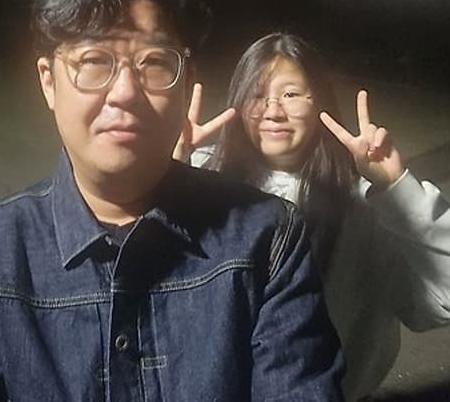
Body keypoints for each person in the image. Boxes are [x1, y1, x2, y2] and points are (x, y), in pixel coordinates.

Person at [0, 0, 344, 401]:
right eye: (94, 61)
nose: (124, 92)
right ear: (49, 82)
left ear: (186, 83)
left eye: (154, 63)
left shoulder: (268, 240)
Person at [174, 32, 450, 401]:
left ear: (320, 100)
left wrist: (398, 188)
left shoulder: (365, 205)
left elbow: (440, 300)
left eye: (290, 94)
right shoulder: (199, 176)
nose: (273, 111)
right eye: (257, 94)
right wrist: (166, 171)